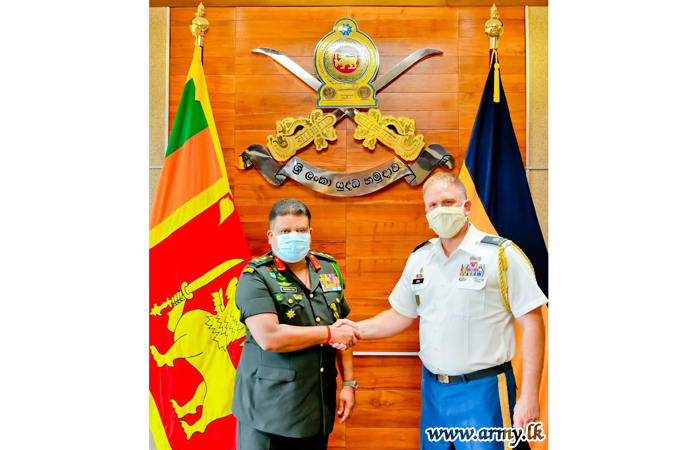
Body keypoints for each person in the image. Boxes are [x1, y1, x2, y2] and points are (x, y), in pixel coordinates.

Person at [334, 172, 547, 450]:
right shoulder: (420, 258)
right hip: (434, 392)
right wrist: (357, 329)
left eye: (448, 202)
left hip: (485, 392)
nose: (440, 210)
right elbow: (400, 314)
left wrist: (529, 395)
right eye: (433, 205)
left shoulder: (500, 255)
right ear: (426, 213)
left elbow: (533, 323)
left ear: (466, 207)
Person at [232, 199, 361, 450]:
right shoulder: (256, 276)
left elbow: (342, 330)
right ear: (271, 236)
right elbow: (269, 337)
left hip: (316, 407)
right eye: (285, 231)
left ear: (310, 233)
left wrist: (348, 383)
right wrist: (327, 333)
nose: (294, 237)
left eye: (301, 230)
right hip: (268, 411)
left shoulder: (327, 269)